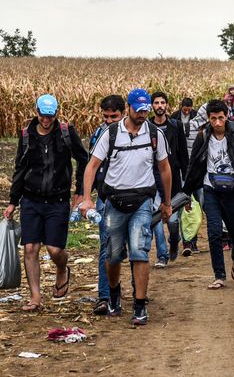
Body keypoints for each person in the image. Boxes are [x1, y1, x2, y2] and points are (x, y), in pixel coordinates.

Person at [81, 88, 173, 325]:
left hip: (142, 202)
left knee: (140, 251)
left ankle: (140, 306)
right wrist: (87, 199)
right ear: (128, 109)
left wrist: (167, 202)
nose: (143, 114)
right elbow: (91, 166)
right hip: (114, 203)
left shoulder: (154, 134)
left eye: (146, 110)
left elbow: (164, 168)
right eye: (139, 109)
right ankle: (114, 293)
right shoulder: (111, 134)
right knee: (112, 255)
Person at [4, 94, 88, 312]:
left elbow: (83, 159)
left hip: (57, 200)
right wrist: (13, 201)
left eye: (50, 116)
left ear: (56, 113)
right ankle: (35, 297)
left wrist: (80, 191)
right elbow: (20, 169)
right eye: (43, 116)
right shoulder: (26, 136)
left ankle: (62, 268)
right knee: (30, 248)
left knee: (54, 250)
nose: (46, 120)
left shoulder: (66, 133)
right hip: (30, 200)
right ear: (36, 112)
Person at [182, 99, 234, 289]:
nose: (217, 123)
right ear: (208, 118)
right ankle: (219, 275)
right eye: (213, 118)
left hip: (233, 190)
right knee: (214, 232)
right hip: (211, 190)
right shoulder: (203, 136)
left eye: (221, 118)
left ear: (226, 117)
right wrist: (187, 194)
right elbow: (193, 166)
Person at [88, 95, 125, 315]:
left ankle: (138, 291)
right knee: (106, 246)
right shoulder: (98, 134)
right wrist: (84, 195)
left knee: (130, 245)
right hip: (105, 197)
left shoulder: (135, 133)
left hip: (132, 197)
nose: (109, 120)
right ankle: (105, 296)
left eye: (114, 116)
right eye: (106, 116)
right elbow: (91, 165)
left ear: (123, 113)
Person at [150, 91, 190, 262]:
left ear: (167, 105)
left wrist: (187, 185)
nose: (159, 106)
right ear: (152, 106)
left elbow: (183, 155)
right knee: (156, 219)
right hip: (150, 178)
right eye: (156, 103)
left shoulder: (176, 126)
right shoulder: (146, 127)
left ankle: (174, 241)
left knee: (173, 221)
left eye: (162, 103)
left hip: (172, 178)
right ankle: (162, 256)